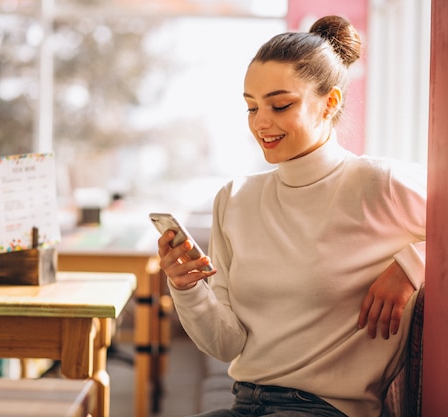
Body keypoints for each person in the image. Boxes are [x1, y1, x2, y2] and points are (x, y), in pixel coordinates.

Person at [157, 15, 426, 417]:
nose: (261, 122)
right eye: (251, 107)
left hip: (325, 409)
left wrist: (410, 266)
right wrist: (187, 288)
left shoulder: (378, 184)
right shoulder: (235, 199)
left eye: (280, 105)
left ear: (329, 103)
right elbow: (227, 344)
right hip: (243, 403)